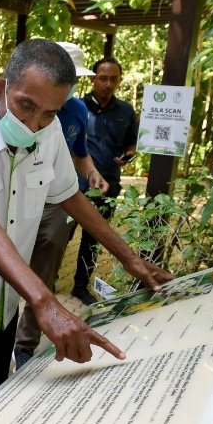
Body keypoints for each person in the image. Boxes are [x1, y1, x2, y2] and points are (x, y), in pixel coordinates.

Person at [0, 39, 173, 424]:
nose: (34, 124)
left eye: (50, 113)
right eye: (26, 106)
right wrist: (46, 303)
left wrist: (129, 259)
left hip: (3, 297)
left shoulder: (48, 133)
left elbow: (70, 195)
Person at [12, 42, 107, 369]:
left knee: (46, 268)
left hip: (55, 201)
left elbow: (80, 153)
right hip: (17, 196)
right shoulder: (19, 103)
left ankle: (25, 344)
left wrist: (92, 173)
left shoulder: (77, 111)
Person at [71, 55, 139, 305]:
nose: (108, 84)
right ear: (92, 79)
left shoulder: (126, 111)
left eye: (113, 79)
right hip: (73, 186)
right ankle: (48, 282)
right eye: (102, 78)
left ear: (119, 81)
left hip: (107, 186)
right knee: (60, 236)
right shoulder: (77, 107)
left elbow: (132, 143)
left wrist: (129, 156)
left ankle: (80, 287)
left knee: (93, 240)